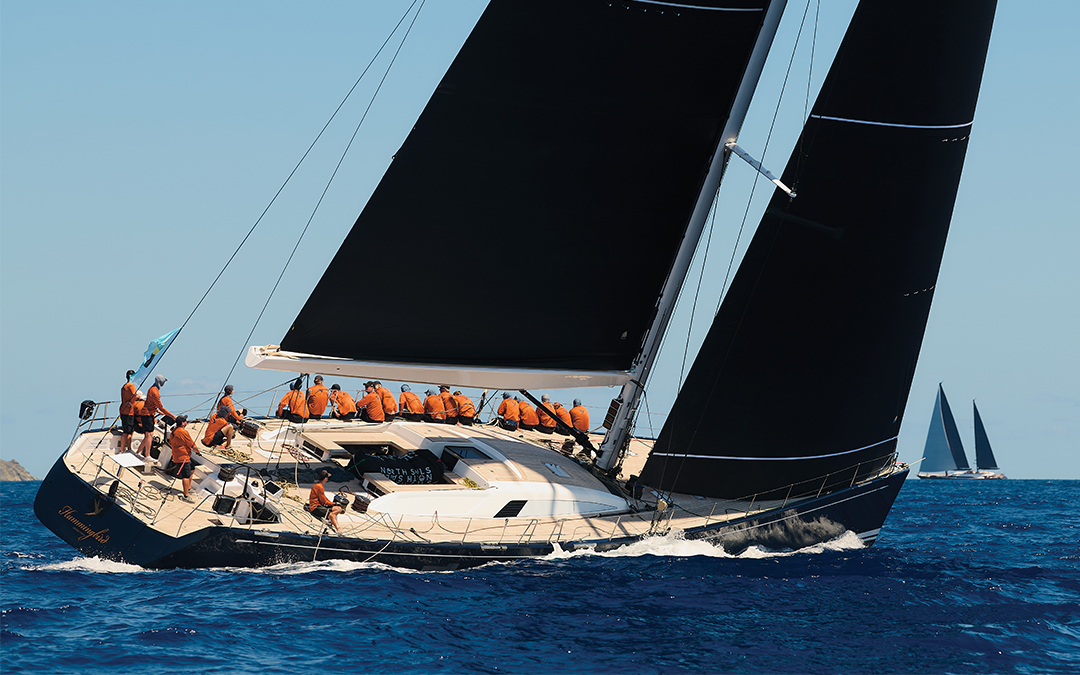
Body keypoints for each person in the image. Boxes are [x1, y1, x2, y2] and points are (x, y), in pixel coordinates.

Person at [138, 375, 174, 457]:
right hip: (147, 415)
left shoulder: (152, 389)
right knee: (149, 435)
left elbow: (150, 403)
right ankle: (147, 455)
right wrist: (172, 415)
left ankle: (138, 452)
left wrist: (157, 411)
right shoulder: (155, 392)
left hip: (149, 414)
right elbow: (161, 407)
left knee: (148, 435)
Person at [167, 415, 200, 501]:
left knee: (192, 469)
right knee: (186, 475)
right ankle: (186, 496)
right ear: (182, 423)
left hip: (177, 456)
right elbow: (191, 444)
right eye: (185, 421)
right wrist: (197, 451)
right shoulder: (183, 432)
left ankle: (188, 488)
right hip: (183, 458)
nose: (186, 422)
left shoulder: (173, 431)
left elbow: (171, 443)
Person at [307, 469, 342, 533]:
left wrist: (333, 504)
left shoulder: (319, 485)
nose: (328, 479)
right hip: (315, 507)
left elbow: (324, 498)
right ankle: (338, 529)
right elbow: (324, 502)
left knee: (339, 509)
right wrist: (334, 503)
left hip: (320, 505)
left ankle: (329, 518)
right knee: (332, 515)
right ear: (325, 478)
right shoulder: (319, 487)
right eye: (327, 477)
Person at [119, 369, 137, 452]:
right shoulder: (131, 386)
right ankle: (127, 449)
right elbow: (134, 394)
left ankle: (124, 449)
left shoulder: (124, 386)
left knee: (126, 430)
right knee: (128, 432)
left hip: (123, 410)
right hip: (129, 412)